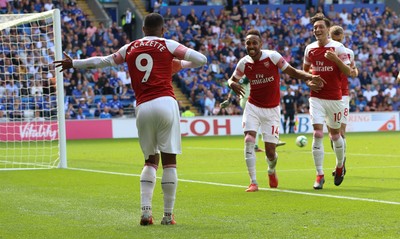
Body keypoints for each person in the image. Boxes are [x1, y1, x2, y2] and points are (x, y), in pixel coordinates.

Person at [55, 13, 207, 225]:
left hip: (143, 106)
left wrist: (75, 63)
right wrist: (177, 64)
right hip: (166, 102)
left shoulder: (130, 47)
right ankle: (168, 216)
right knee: (169, 162)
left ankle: (146, 212)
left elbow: (102, 61)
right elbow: (201, 59)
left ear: (143, 30)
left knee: (150, 161)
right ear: (163, 30)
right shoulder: (168, 44)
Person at [227, 29, 325, 192]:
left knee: (270, 153)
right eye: (248, 43)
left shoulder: (272, 57)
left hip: (272, 110)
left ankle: (271, 170)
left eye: (254, 43)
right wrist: (231, 84)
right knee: (249, 140)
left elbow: (292, 72)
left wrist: (309, 76)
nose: (251, 46)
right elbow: (232, 79)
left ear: (261, 44)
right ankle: (253, 182)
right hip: (253, 107)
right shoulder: (243, 63)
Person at [303, 13, 352, 190]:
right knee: (317, 134)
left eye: (320, 27)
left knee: (335, 135)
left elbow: (348, 72)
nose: (317, 30)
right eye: (315, 27)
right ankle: (319, 174)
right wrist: (309, 81)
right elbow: (305, 71)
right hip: (316, 97)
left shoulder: (338, 48)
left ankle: (340, 166)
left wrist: (336, 60)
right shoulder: (309, 49)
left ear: (327, 30)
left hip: (335, 98)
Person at [221, 76, 286, 152]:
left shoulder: (259, 75)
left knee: (262, 119)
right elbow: (235, 85)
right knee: (264, 118)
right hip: (248, 100)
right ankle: (266, 141)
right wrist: (229, 99)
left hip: (253, 101)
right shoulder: (248, 75)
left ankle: (269, 140)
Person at [327, 25, 359, 177]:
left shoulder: (348, 53)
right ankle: (340, 159)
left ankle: (341, 164)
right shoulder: (323, 51)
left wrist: (354, 71)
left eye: (339, 39)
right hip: (326, 94)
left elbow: (353, 69)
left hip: (343, 94)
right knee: (331, 135)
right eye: (334, 39)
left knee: (341, 132)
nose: (337, 42)